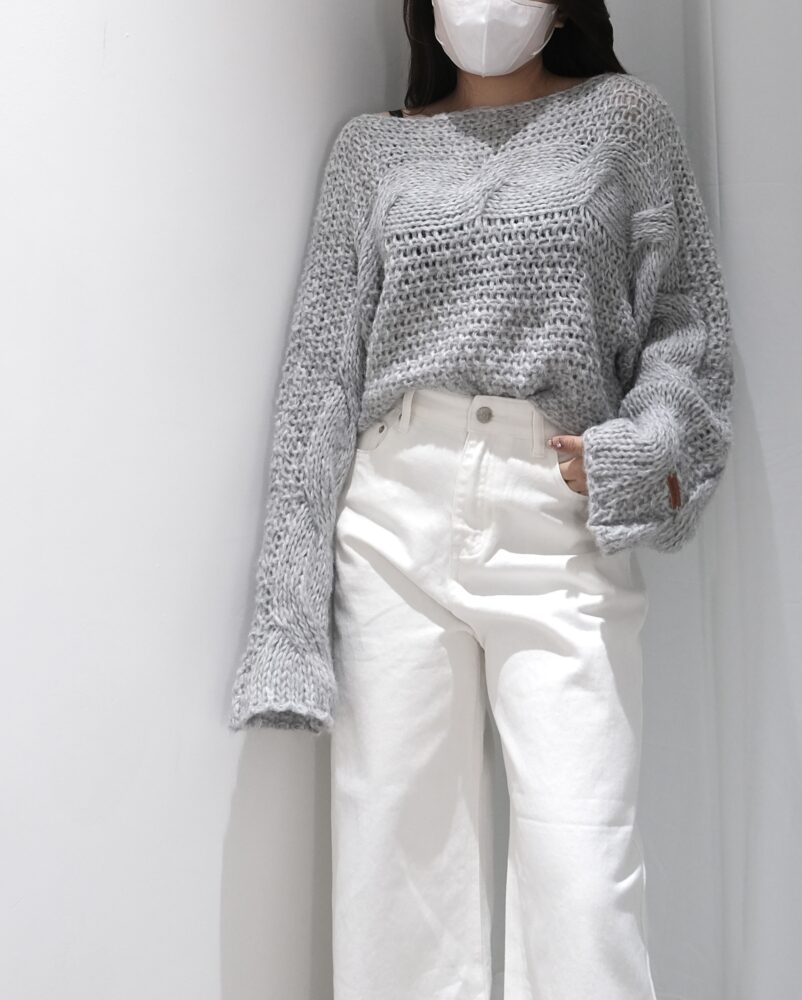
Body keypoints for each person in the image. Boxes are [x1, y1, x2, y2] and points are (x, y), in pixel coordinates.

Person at [229, 1, 735, 997]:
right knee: (395, 887)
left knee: (582, 880)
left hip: (556, 516)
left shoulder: (623, 121)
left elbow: (689, 333)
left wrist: (636, 457)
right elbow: (319, 378)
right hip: (391, 517)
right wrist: (285, 626)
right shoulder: (372, 153)